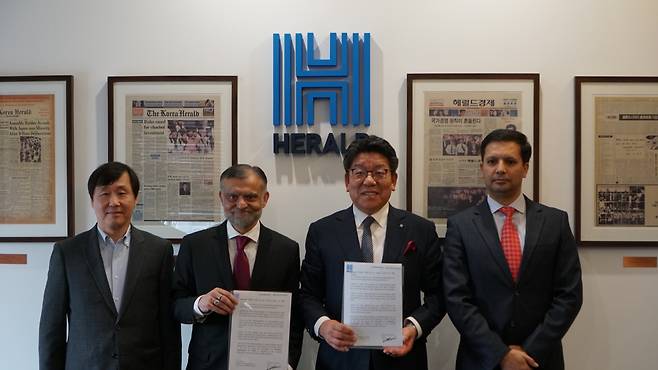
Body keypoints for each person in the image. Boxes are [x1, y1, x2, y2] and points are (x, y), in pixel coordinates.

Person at [300, 135, 444, 370]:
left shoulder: (420, 230)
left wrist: (413, 328)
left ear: (393, 179)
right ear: (347, 181)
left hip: (402, 359)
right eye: (359, 173)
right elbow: (307, 294)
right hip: (339, 360)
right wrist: (324, 326)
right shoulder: (322, 231)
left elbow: (438, 294)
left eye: (379, 172)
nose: (369, 181)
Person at [443, 129, 583, 370]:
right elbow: (457, 298)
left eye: (510, 161)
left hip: (540, 359)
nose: (500, 169)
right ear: (482, 167)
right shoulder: (461, 225)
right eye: (492, 161)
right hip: (480, 359)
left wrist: (530, 350)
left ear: (525, 168)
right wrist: (500, 354)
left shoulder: (555, 222)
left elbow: (569, 295)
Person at [39, 162, 181, 370]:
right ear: (92, 201)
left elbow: (168, 326)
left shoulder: (159, 251)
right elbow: (52, 327)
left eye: (122, 193)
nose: (114, 202)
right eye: (104, 194)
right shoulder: (68, 253)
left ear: (135, 198)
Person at [173, 164, 303, 370]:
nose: (241, 204)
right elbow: (176, 304)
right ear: (221, 197)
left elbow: (294, 314)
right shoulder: (194, 245)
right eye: (232, 197)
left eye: (250, 197)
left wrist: (288, 363)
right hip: (208, 363)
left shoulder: (286, 249)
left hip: (267, 364)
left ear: (265, 198)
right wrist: (201, 303)